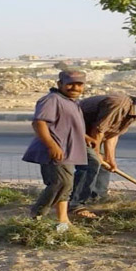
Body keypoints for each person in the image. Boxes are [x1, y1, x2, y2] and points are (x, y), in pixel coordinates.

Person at [69, 90, 136, 218]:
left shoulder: (134, 111)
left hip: (92, 134)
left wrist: (109, 158)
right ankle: (76, 204)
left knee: (104, 164)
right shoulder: (119, 104)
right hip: (74, 131)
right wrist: (97, 153)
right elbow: (98, 129)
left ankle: (97, 199)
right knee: (92, 162)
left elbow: (112, 133)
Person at [22, 70, 88, 231]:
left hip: (67, 151)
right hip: (55, 151)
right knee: (60, 183)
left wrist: (86, 138)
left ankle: (63, 222)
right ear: (60, 84)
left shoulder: (71, 101)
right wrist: (52, 145)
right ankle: (35, 215)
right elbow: (39, 123)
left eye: (79, 84)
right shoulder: (52, 100)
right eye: (70, 83)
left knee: (66, 186)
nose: (75, 87)